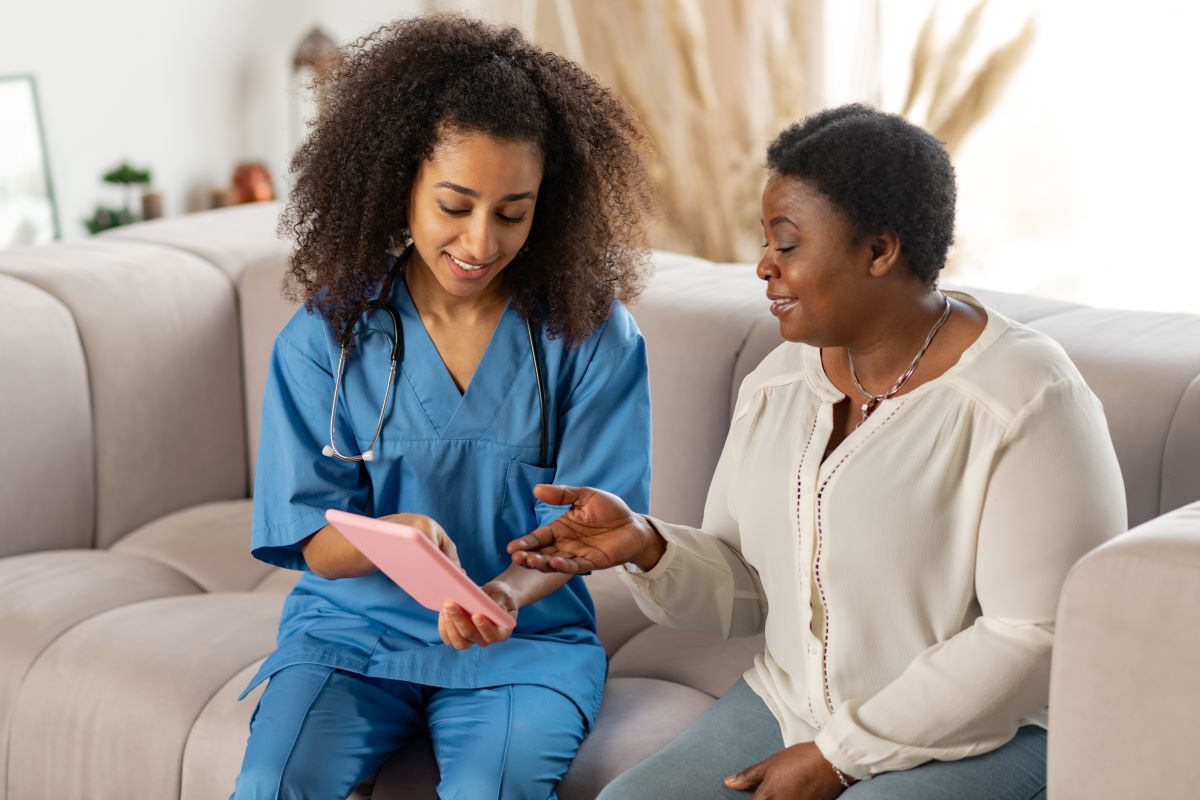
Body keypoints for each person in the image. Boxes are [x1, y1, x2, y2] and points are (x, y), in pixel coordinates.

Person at [508, 104, 1128, 799]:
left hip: (987, 734)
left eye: (788, 243)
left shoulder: (1026, 397)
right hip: (788, 709)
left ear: (879, 250)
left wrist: (837, 756)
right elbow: (747, 595)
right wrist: (649, 545)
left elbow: (1034, 637)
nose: (763, 266)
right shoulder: (779, 386)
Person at [231, 14, 655, 800]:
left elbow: (594, 530)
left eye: (512, 212)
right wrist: (387, 540)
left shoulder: (593, 337)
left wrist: (501, 595)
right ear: (402, 183)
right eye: (454, 205)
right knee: (272, 783)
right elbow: (308, 535)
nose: (481, 242)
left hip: (522, 639)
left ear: (547, 206)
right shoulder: (327, 337)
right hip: (350, 634)